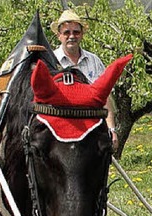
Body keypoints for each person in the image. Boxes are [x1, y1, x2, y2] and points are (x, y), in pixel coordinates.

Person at [51, 10, 119, 151]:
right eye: (66, 33)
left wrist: (111, 129)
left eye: (76, 32)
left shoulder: (94, 61)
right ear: (59, 36)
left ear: (82, 35)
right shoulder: (50, 62)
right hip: (60, 135)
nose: (71, 36)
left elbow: (105, 98)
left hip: (92, 130)